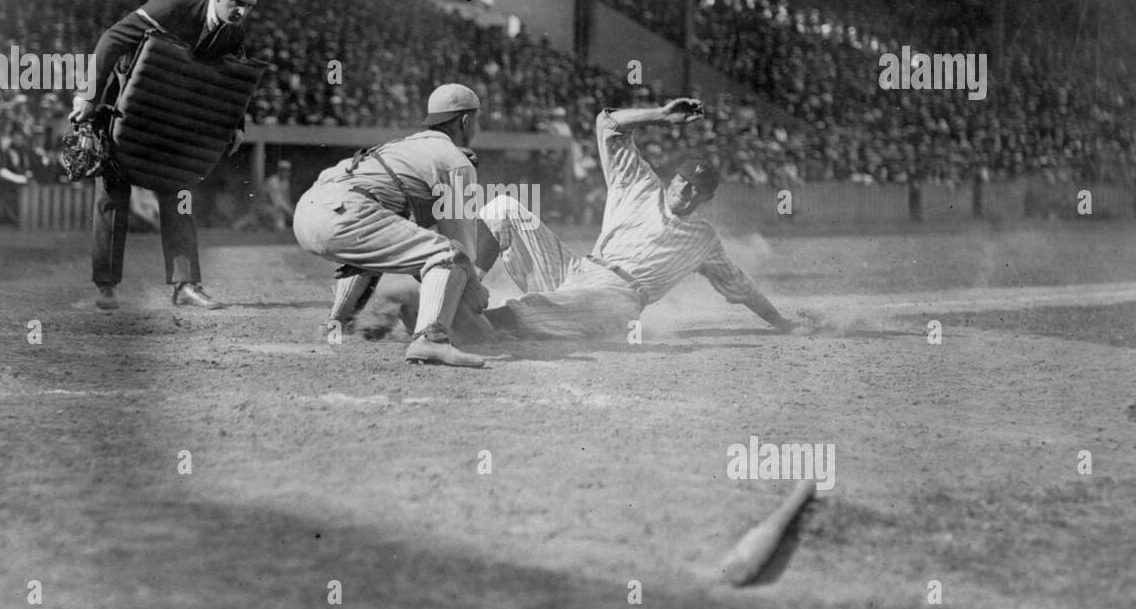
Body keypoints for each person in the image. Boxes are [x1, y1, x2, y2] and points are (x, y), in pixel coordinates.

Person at [468, 99, 801, 339]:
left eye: (695, 190)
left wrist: (782, 322)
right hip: (576, 270)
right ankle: (467, 291)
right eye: (683, 181)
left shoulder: (704, 239)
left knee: (559, 304)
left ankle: (475, 325)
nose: (684, 190)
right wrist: (659, 116)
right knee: (503, 208)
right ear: (675, 177)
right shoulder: (639, 182)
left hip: (618, 298)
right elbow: (608, 124)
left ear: (706, 198)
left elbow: (741, 286)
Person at [68, 0, 260, 310]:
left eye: (249, 6)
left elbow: (232, 82)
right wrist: (89, 94)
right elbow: (112, 39)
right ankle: (106, 287)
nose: (241, 11)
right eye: (236, 2)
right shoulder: (171, 7)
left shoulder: (233, 33)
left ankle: (185, 284)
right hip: (123, 104)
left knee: (179, 189)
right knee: (113, 192)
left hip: (171, 118)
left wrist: (236, 126)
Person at [293, 84, 490, 368]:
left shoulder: (404, 146)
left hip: (309, 209)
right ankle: (431, 340)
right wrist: (475, 293)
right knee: (449, 256)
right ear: (465, 121)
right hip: (347, 212)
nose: (478, 127)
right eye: (477, 120)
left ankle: (337, 323)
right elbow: (459, 252)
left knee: (376, 248)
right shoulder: (456, 161)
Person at [234, 160, 295, 232]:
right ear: (279, 170)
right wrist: (291, 212)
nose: (286, 173)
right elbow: (277, 201)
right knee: (279, 221)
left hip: (272, 209)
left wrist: (291, 209)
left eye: (287, 170)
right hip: (263, 207)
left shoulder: (286, 182)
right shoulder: (273, 181)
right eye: (283, 170)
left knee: (281, 213)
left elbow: (286, 200)